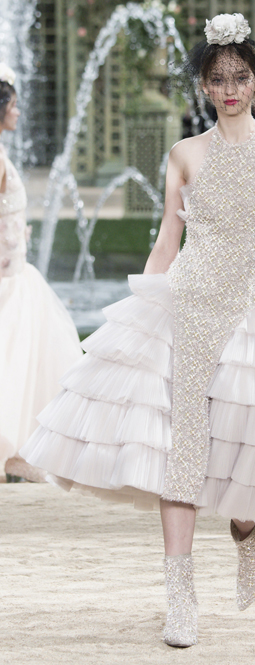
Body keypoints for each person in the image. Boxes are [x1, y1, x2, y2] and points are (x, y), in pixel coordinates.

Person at [20, 14, 255, 648]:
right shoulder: (184, 154)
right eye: (219, 79)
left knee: (245, 463)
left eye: (241, 77)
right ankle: (179, 600)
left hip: (251, 316)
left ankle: (248, 532)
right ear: (205, 87)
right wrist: (141, 307)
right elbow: (167, 240)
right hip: (185, 311)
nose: (230, 89)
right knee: (178, 458)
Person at [0, 64, 82, 482]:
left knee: (20, 364)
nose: (18, 112)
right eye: (14, 105)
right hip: (7, 282)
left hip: (16, 276)